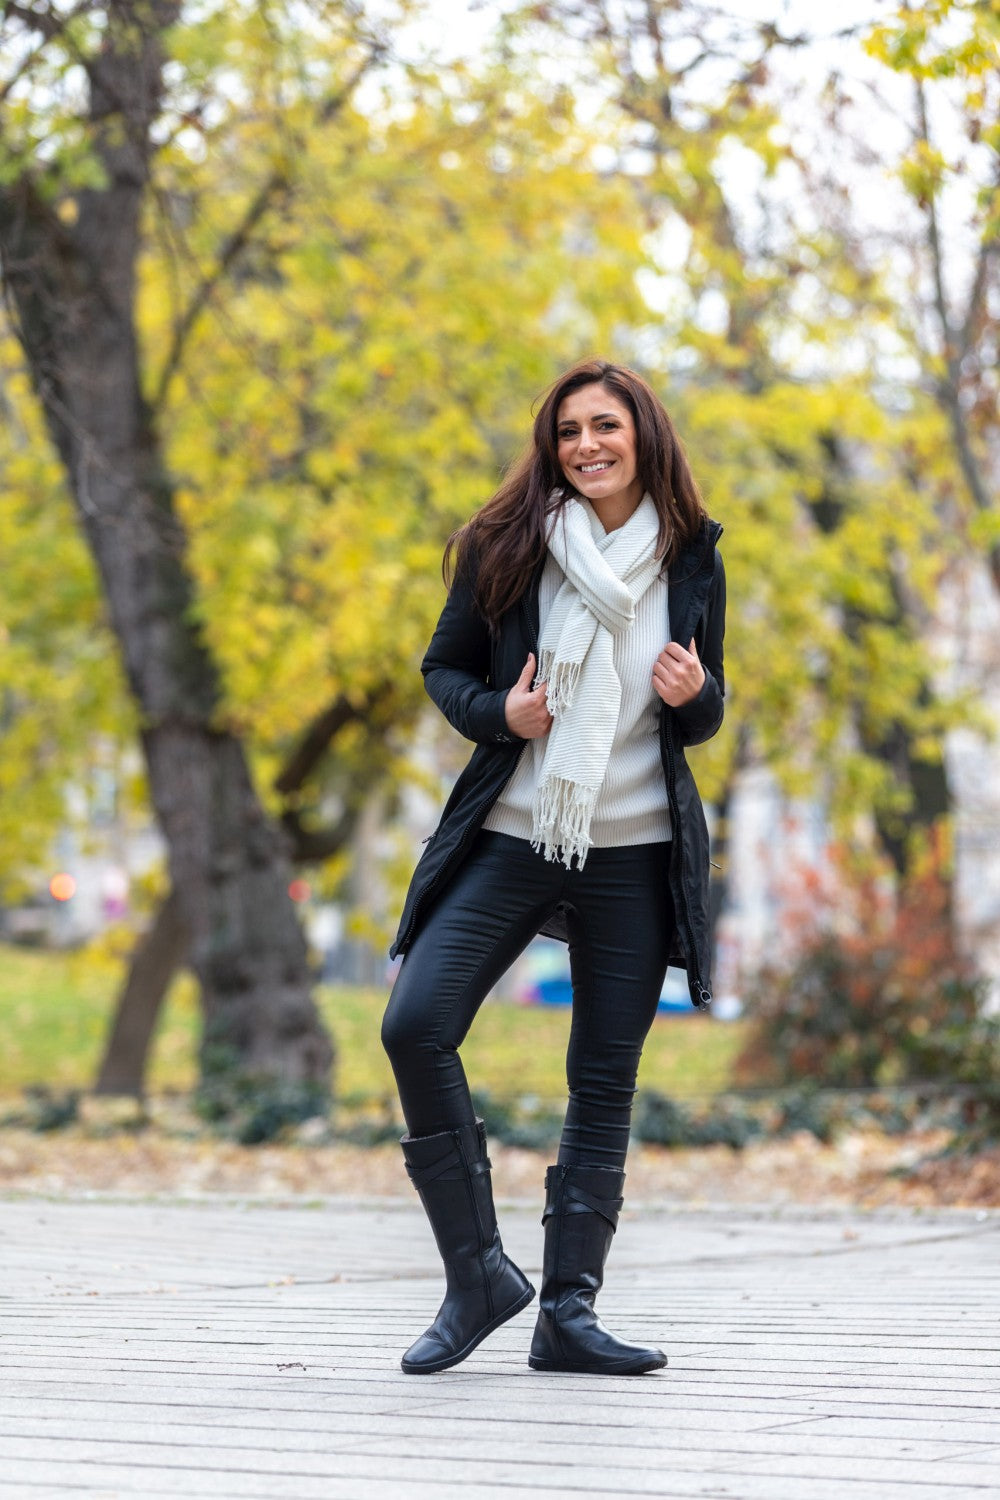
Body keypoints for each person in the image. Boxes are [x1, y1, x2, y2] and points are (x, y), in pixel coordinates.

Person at [382, 358, 726, 1376]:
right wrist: (506, 716)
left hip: (633, 856)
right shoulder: (506, 546)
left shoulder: (691, 555)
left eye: (605, 426)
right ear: (551, 443)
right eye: (569, 429)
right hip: (514, 839)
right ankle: (477, 1273)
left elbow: (703, 714)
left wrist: (692, 694)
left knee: (603, 1080)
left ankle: (568, 1313)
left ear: (642, 436)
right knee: (415, 1023)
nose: (586, 445)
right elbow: (444, 669)